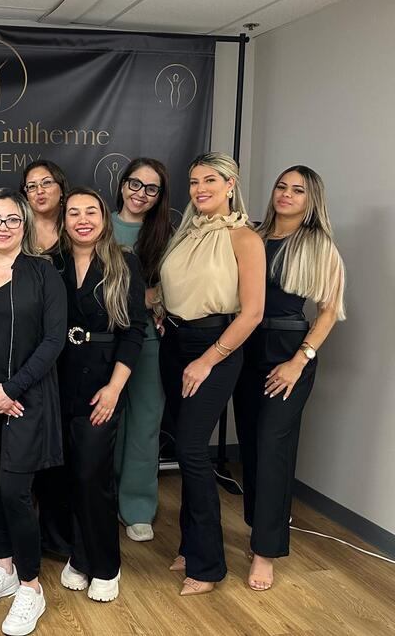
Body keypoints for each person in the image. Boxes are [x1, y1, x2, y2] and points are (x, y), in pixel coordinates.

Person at [0, 189, 66, 636]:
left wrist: (11, 389)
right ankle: (4, 569)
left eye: (12, 220)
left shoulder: (43, 273)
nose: (2, 227)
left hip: (27, 400)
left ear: (25, 225)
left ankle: (30, 587)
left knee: (17, 491)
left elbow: (54, 340)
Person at [233, 166, 346, 592]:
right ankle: (256, 527)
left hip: (288, 352)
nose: (286, 194)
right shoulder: (252, 235)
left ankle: (266, 551)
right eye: (282, 186)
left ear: (311, 200)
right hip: (244, 346)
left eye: (298, 190)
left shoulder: (319, 245)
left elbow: (328, 312)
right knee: (251, 443)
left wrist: (300, 360)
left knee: (273, 447)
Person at [158, 152, 265, 596]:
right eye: (194, 181)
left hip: (215, 349)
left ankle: (208, 566)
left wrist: (208, 360)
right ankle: (189, 546)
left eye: (210, 180)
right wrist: (161, 308)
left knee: (191, 450)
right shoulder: (187, 233)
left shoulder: (245, 238)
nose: (199, 189)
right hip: (174, 345)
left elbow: (253, 313)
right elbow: (179, 287)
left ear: (230, 184)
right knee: (186, 450)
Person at [49, 188, 147, 602]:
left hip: (103, 380)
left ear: (104, 219)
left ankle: (106, 565)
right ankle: (80, 556)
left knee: (93, 475)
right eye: (74, 212)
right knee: (66, 474)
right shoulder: (50, 263)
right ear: (64, 221)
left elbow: (134, 331)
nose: (83, 219)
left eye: (91, 211)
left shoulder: (124, 263)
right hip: (57, 379)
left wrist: (114, 388)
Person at [111, 158, 174, 542]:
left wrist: (156, 298)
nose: (141, 194)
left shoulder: (167, 235)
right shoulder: (98, 223)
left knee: (145, 425)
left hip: (149, 339)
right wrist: (140, 297)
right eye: (135, 184)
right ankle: (104, 499)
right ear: (122, 185)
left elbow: (179, 282)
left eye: (151, 188)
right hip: (105, 339)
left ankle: (136, 506)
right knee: (105, 423)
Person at [21, 159, 68, 253]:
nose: (39, 191)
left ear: (61, 189)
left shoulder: (74, 225)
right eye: (32, 186)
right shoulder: (16, 227)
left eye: (46, 183)